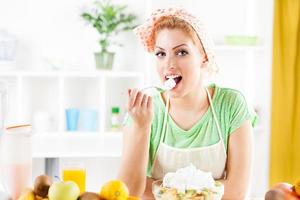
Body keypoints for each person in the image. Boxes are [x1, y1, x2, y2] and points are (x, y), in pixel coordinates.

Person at [118, 7, 257, 200]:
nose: (169, 64)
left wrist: (162, 190)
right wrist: (141, 127)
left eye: (181, 52)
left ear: (204, 57)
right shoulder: (144, 108)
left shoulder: (231, 105)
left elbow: (236, 192)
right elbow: (128, 192)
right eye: (160, 54)